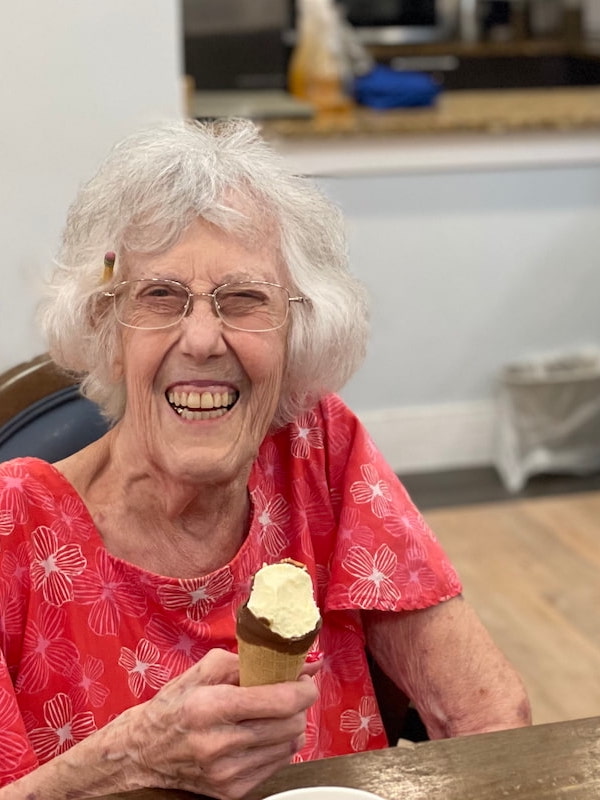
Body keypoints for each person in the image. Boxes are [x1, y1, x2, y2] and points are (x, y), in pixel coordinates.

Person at [0, 119, 530, 797]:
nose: (200, 339)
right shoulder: (13, 527)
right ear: (107, 328)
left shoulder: (319, 455)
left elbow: (488, 717)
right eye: (160, 296)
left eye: (243, 299)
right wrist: (128, 759)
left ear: (297, 333)